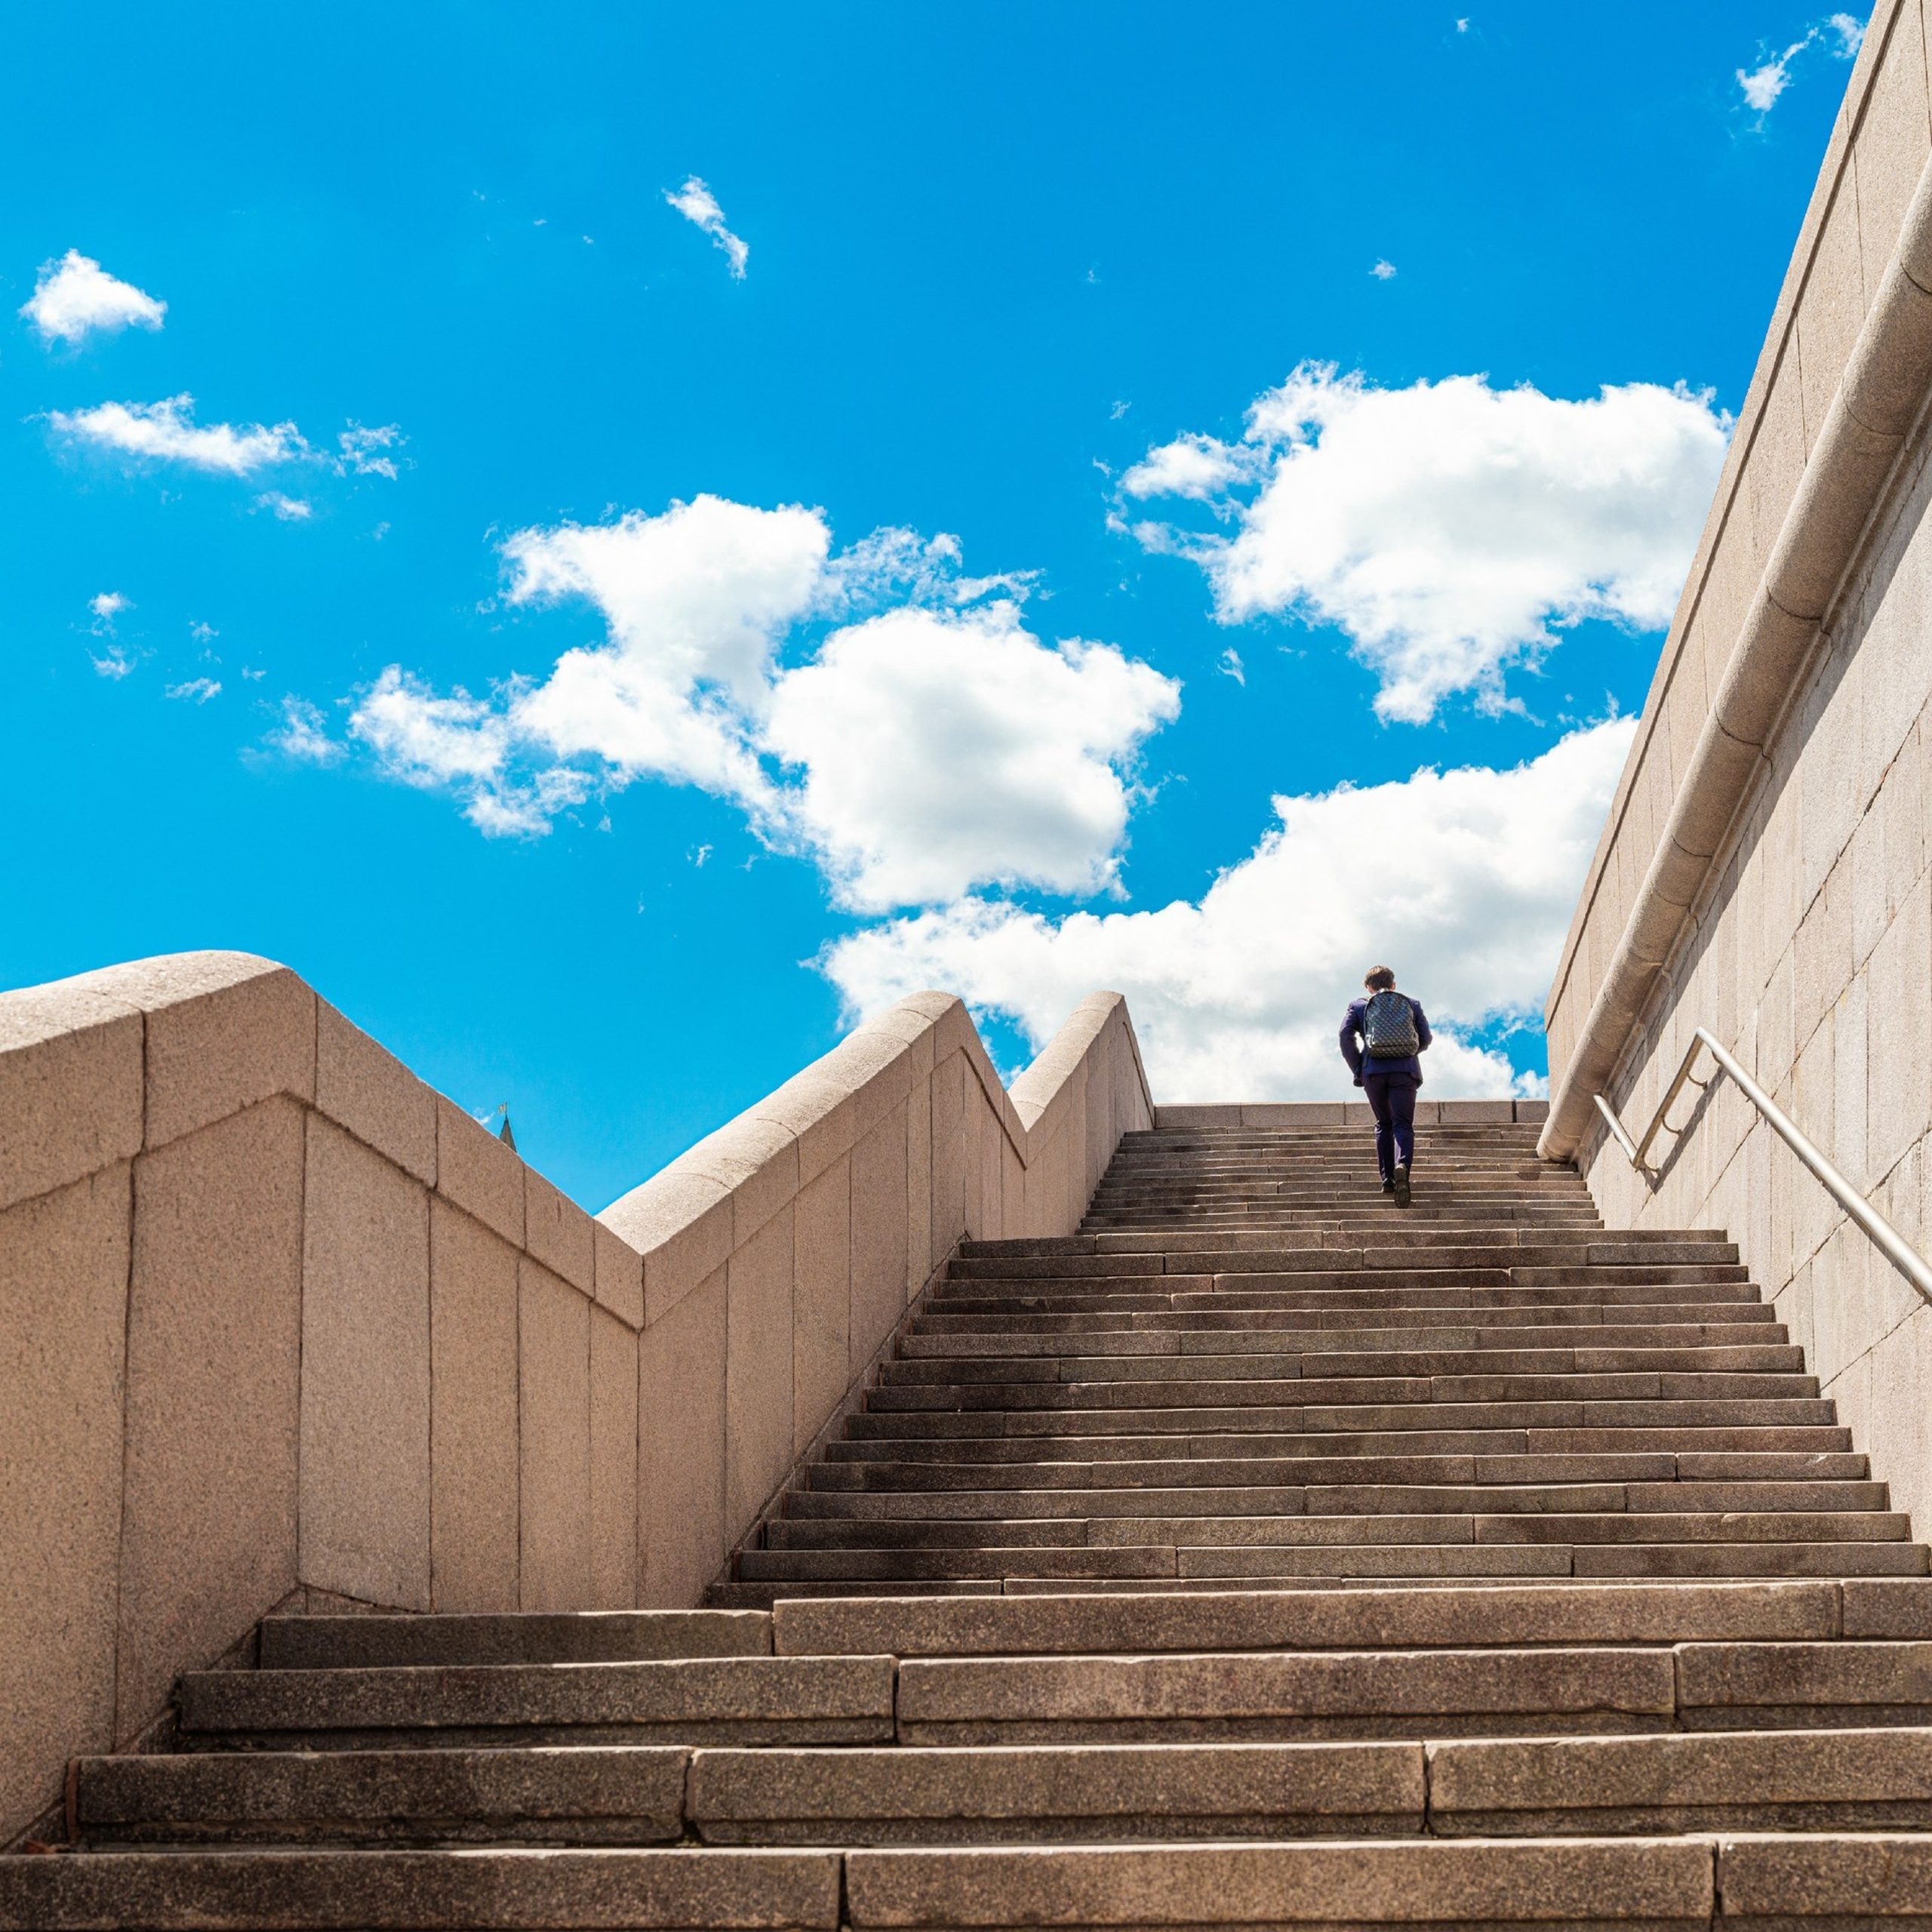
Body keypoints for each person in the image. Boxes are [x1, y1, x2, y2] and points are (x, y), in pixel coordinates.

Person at [1339, 965, 1432, 1206]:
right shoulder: (1411, 1003)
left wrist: (1359, 1066)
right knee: (1403, 1123)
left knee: (1384, 1123)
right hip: (1405, 1070)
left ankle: (1387, 1179)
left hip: (1373, 1072)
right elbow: (1426, 1038)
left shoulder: (1359, 1006)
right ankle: (1402, 1165)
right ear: (1393, 985)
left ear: (1368, 987)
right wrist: (1409, 1052)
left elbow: (1344, 1036)